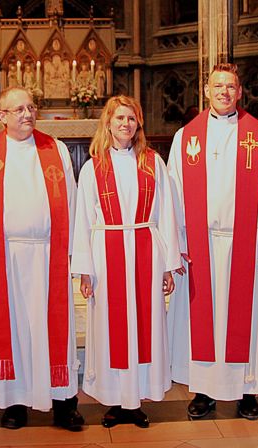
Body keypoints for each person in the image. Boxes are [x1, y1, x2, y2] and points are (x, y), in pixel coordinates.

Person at [166, 63, 258, 420]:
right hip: (200, 246)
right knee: (202, 322)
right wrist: (175, 241)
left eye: (231, 87)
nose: (224, 92)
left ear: (240, 92)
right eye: (217, 86)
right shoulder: (187, 137)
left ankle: (247, 391)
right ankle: (204, 390)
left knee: (248, 321)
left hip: (248, 246)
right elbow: (173, 193)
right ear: (206, 91)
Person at [0, 86, 83, 431]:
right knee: (14, 329)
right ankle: (14, 403)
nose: (27, 114)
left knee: (56, 330)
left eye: (31, 107)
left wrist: (74, 252)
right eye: (18, 110)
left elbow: (72, 202)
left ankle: (64, 403)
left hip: (50, 254)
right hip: (8, 258)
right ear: (1, 115)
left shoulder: (55, 149)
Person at [71, 95, 180, 428]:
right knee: (111, 327)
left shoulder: (152, 162)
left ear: (139, 124)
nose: (125, 124)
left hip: (146, 250)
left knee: (144, 325)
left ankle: (137, 399)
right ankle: (116, 400)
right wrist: (85, 270)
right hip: (107, 253)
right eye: (119, 118)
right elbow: (84, 220)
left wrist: (167, 264)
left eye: (131, 119)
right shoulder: (93, 166)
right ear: (108, 122)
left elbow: (166, 215)